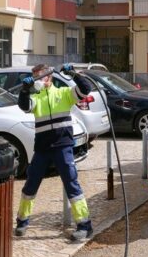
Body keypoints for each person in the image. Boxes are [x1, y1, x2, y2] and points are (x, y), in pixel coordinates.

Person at [14, 63, 94, 242]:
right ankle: (22, 221)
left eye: (37, 77)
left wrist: (73, 74)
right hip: (42, 149)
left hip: (63, 147)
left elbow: (85, 88)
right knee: (30, 184)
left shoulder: (64, 93)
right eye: (33, 77)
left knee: (71, 183)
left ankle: (84, 225)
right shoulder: (37, 97)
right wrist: (25, 90)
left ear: (48, 77)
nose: (35, 81)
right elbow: (24, 106)